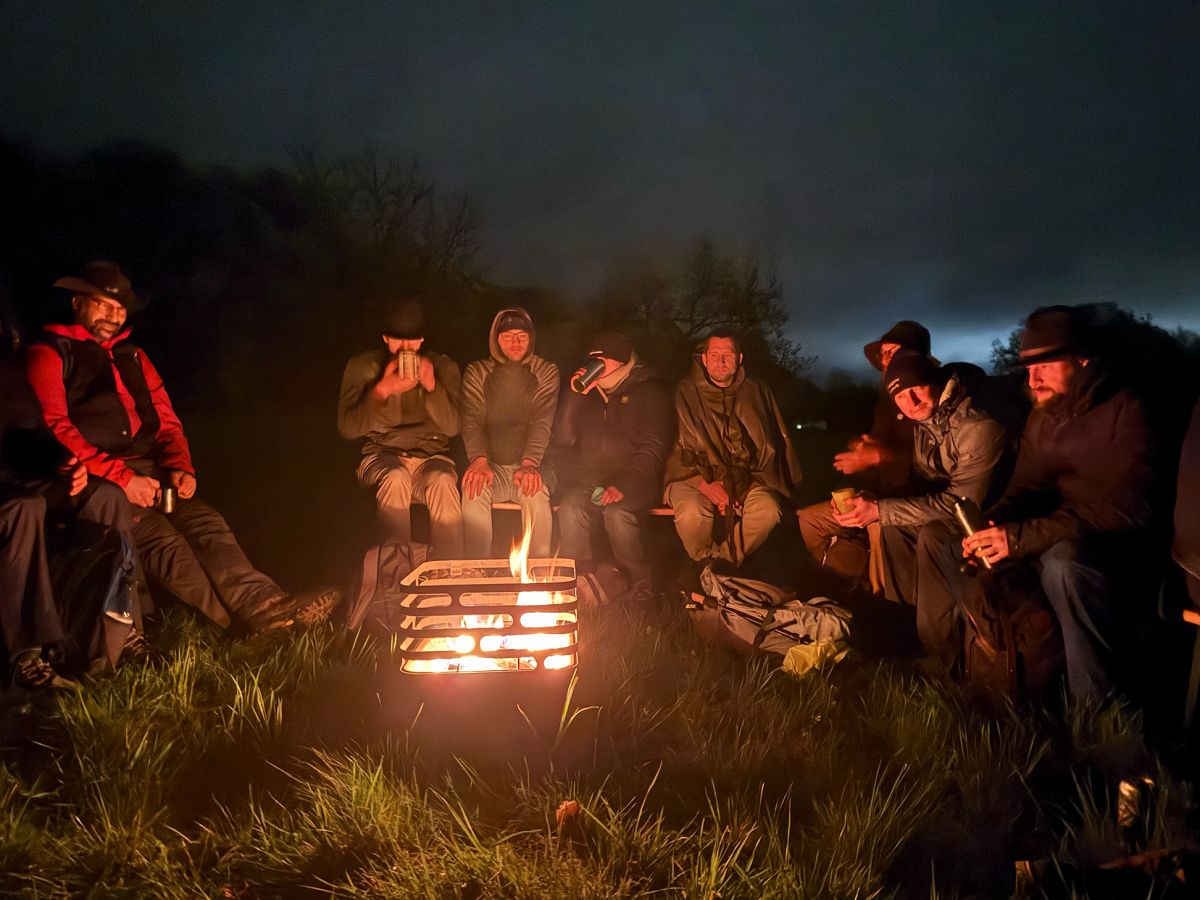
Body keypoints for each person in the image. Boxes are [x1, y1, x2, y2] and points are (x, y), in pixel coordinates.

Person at [27, 262, 337, 635]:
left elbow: (167, 421)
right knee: (162, 540)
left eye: (120, 308)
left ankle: (263, 604)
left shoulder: (134, 357)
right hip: (94, 479)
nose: (114, 315)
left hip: (150, 471)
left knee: (205, 523)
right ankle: (236, 624)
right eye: (103, 305)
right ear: (78, 302)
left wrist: (180, 466)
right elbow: (56, 426)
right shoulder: (50, 353)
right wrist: (124, 479)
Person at [917, 306, 1153, 700]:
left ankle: (1095, 707)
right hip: (1049, 531)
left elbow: (1124, 511)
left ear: (1081, 359)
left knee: (1063, 565)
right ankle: (973, 661)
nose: (1033, 377)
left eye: (1044, 364)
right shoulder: (1045, 416)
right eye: (1028, 367)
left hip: (1114, 544)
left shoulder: (1127, 413)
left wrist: (1020, 538)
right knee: (944, 538)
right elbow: (1023, 486)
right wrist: (991, 524)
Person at [829, 350, 1011, 637]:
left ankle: (938, 642)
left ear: (934, 382)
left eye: (916, 389)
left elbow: (961, 502)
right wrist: (870, 495)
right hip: (953, 511)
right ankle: (905, 624)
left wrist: (880, 509)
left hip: (990, 517)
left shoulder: (978, 425)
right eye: (900, 396)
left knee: (931, 534)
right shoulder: (926, 423)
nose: (910, 402)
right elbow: (921, 477)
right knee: (894, 529)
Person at [797, 321, 936, 589]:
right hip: (879, 495)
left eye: (893, 351)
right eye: (883, 353)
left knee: (877, 526)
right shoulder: (885, 405)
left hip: (914, 502)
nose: (886, 360)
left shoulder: (927, 396)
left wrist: (880, 457)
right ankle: (860, 577)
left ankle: (884, 598)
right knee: (810, 519)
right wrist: (861, 465)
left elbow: (930, 468)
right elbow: (875, 458)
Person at [338, 295, 464, 558]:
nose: (406, 346)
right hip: (381, 455)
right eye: (398, 339)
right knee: (396, 478)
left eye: (412, 340)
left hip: (431, 457)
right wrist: (381, 391)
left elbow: (453, 427)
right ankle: (394, 573)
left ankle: (451, 572)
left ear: (422, 340)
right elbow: (348, 428)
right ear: (385, 338)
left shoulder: (442, 366)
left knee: (442, 481)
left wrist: (432, 387)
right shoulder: (364, 366)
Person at [664, 330, 801, 571]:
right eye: (714, 354)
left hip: (748, 478)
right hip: (693, 477)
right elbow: (675, 451)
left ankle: (722, 563)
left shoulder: (756, 390)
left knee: (768, 510)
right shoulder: (685, 392)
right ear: (704, 359)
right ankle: (701, 561)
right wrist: (706, 485)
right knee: (693, 511)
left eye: (727, 354)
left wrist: (736, 487)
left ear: (739, 358)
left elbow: (769, 448)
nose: (721, 361)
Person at [552, 331, 672, 598]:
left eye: (602, 361)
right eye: (593, 362)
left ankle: (639, 587)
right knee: (571, 507)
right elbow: (563, 437)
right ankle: (581, 584)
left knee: (617, 513)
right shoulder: (589, 396)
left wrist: (625, 484)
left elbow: (652, 448)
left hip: (635, 480)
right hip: (591, 481)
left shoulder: (649, 392)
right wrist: (574, 395)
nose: (596, 368)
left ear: (620, 361)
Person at [460, 308, 559, 558]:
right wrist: (479, 460)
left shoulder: (545, 371)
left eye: (522, 336)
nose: (515, 343)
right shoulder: (478, 371)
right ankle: (477, 571)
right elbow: (471, 420)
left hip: (529, 465)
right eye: (507, 336)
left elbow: (541, 421)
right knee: (474, 488)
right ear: (496, 339)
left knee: (535, 492)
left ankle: (539, 573)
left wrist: (529, 464)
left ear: (531, 338)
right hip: (490, 466)